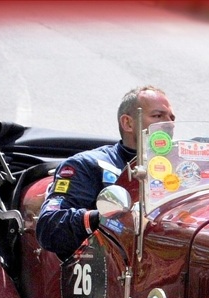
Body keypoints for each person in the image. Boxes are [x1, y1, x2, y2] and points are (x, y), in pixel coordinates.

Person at [36, 85, 176, 260]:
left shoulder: (181, 168)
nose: (169, 124)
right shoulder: (87, 165)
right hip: (113, 269)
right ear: (128, 123)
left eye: (172, 118)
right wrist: (105, 217)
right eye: (158, 116)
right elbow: (50, 228)